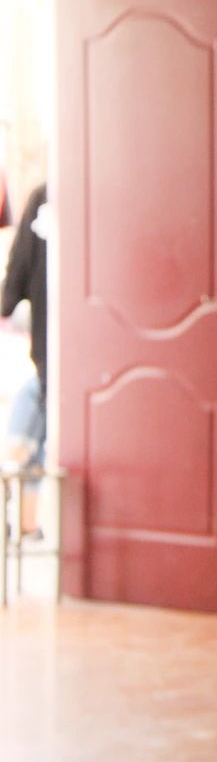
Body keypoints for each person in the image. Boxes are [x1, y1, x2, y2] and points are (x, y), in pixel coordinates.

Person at [2, 183, 48, 538]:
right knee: (39, 404)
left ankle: (27, 522)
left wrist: (7, 300)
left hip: (52, 348)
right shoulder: (45, 197)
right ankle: (27, 524)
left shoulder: (46, 196)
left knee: (37, 402)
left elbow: (17, 270)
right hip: (57, 348)